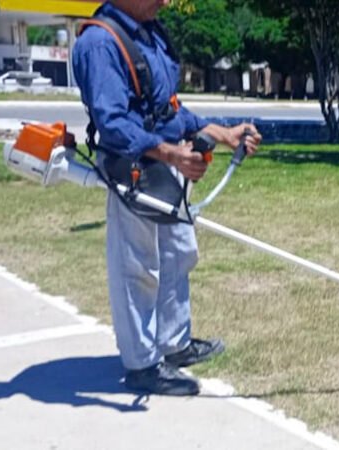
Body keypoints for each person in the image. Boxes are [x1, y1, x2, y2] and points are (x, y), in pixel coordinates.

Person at [72, 0, 261, 396]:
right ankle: (142, 364)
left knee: (178, 251)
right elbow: (113, 124)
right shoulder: (99, 43)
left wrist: (219, 131)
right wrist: (172, 153)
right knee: (137, 264)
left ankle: (174, 343)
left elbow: (166, 107)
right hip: (134, 168)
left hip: (164, 160)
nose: (165, 1)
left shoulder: (150, 31)